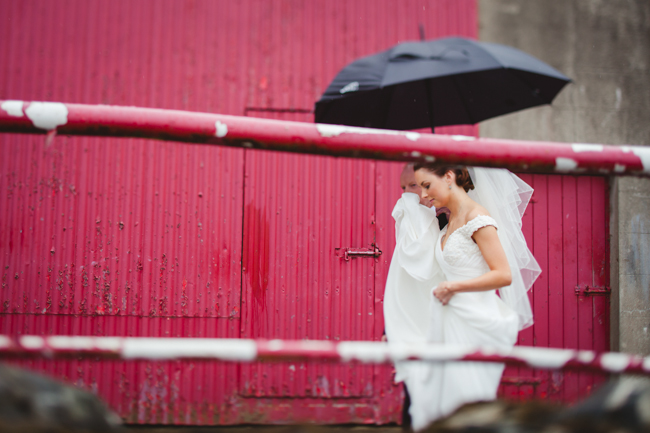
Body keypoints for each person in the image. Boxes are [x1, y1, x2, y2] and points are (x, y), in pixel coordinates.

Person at [383, 164, 540, 431]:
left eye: (425, 186)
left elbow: (503, 274)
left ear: (448, 177)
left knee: (468, 402)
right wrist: (399, 326)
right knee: (439, 403)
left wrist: (455, 288)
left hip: (473, 320)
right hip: (446, 320)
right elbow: (419, 276)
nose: (422, 193)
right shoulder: (446, 225)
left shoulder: (478, 217)